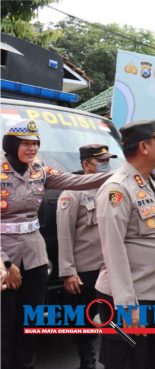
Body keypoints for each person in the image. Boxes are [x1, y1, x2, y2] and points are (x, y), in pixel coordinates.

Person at [1, 120, 113, 369]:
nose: (31, 148)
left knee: (29, 322)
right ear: (11, 144)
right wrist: (6, 263)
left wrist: (120, 175)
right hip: (4, 257)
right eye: (25, 143)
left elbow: (76, 182)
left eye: (35, 143)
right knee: (4, 324)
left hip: (35, 258)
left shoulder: (39, 171)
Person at [94, 119, 155, 369]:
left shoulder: (150, 183)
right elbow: (113, 251)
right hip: (128, 298)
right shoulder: (117, 189)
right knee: (126, 362)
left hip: (153, 293)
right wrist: (127, 307)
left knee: (152, 357)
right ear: (143, 146)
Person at [57, 144, 118, 369]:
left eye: (107, 160)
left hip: (109, 266)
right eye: (100, 161)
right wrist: (68, 272)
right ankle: (87, 360)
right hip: (85, 270)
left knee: (111, 318)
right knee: (84, 320)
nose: (106, 165)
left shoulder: (112, 190)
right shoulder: (71, 193)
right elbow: (64, 235)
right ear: (85, 165)